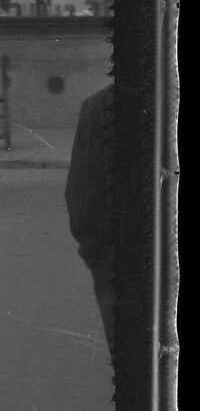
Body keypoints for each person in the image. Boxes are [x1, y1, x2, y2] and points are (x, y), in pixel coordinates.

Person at [65, 83, 115, 354]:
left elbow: (81, 197)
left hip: (118, 266)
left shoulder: (100, 106)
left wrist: (98, 259)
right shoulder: (98, 107)